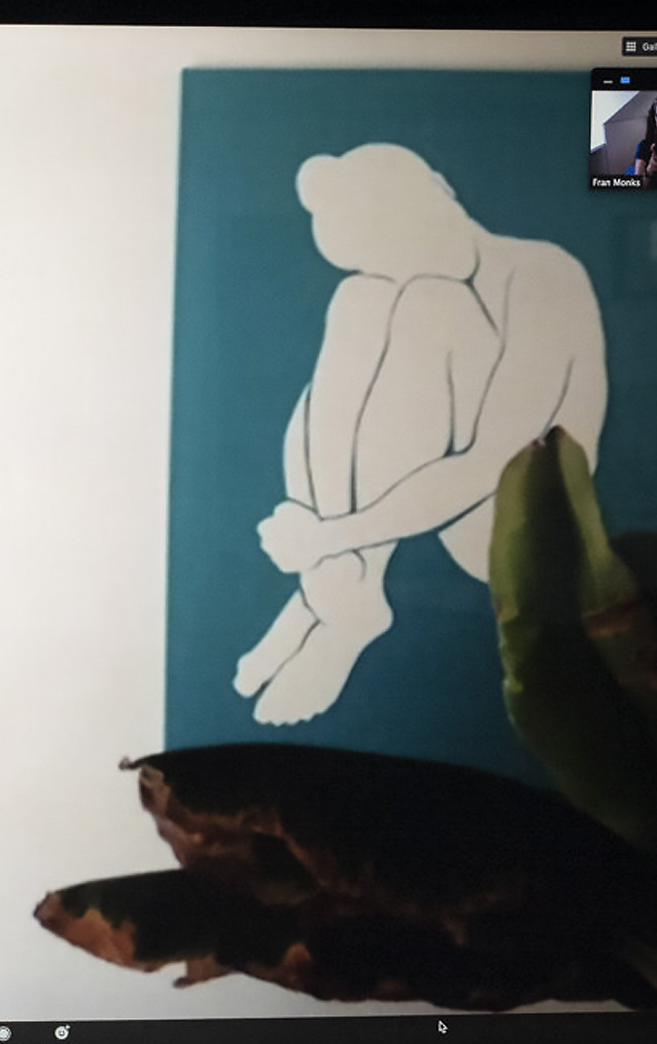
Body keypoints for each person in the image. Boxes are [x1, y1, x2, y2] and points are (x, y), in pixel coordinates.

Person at [232, 143, 607, 725]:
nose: (402, 277)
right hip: (412, 507)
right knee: (357, 298)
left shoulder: (541, 274)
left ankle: (342, 587)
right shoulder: (383, 289)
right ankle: (339, 588)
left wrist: (330, 534)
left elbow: (493, 461)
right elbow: (315, 407)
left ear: (438, 197)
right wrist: (317, 538)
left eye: (400, 250)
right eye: (386, 264)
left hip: (518, 521)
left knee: (433, 301)